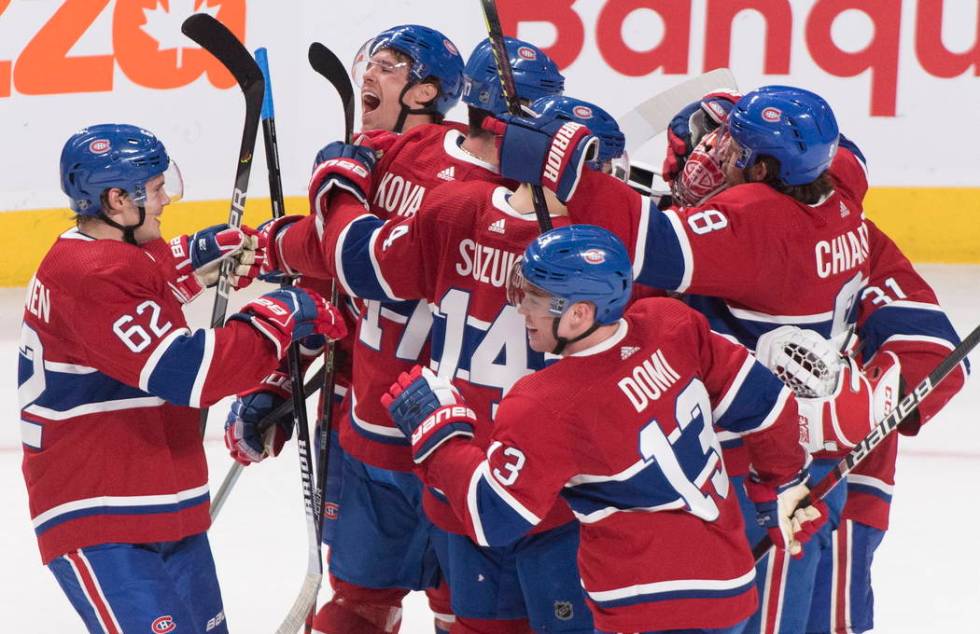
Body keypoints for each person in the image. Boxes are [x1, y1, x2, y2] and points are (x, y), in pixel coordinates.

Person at [483, 84, 967, 634]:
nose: (714, 155)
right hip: (782, 465)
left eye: (729, 147)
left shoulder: (757, 221)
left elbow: (655, 247)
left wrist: (545, 158)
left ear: (764, 169)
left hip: (752, 470)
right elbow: (933, 345)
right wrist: (869, 401)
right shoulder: (840, 221)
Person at [259, 93, 625, 633]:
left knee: (402, 610)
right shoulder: (607, 251)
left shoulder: (455, 204)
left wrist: (304, 221)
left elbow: (358, 262)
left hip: (444, 449)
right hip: (542, 484)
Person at [380, 225, 824, 633]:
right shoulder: (670, 323)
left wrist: (440, 438)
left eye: (535, 298)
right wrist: (780, 483)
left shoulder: (545, 403)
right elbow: (768, 405)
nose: (522, 310)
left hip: (640, 609)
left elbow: (494, 516)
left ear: (579, 313)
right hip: (728, 592)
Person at [17, 124, 346, 633]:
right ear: (116, 200)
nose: (166, 198)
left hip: (157, 499)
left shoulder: (99, 253)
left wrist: (195, 257)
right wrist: (278, 313)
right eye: (155, 188)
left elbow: (141, 281)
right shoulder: (89, 275)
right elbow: (194, 374)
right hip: (102, 513)